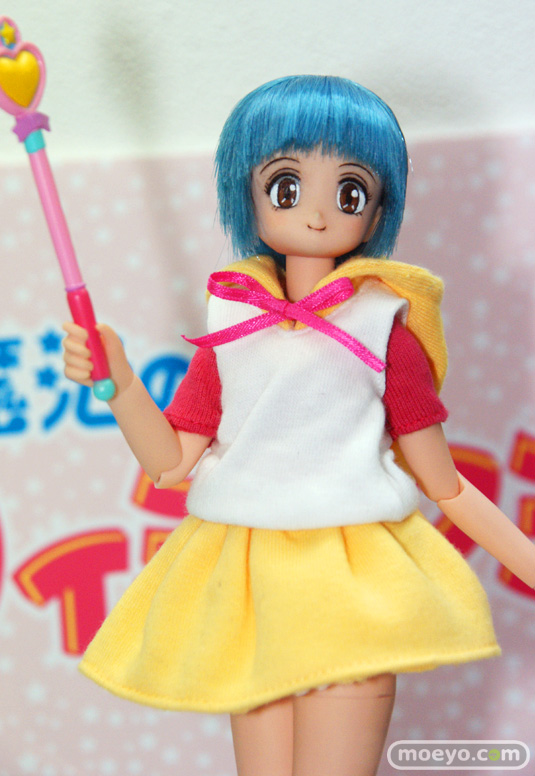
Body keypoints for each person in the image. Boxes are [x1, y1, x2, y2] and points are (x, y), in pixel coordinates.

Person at [63, 75, 535, 776]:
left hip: (349, 586)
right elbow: (170, 463)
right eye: (286, 186)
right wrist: (121, 385)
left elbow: (447, 486)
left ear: (377, 210)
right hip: (249, 591)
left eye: (349, 192)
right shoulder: (231, 326)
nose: (316, 214)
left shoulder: (381, 326)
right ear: (247, 195)